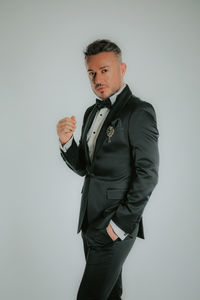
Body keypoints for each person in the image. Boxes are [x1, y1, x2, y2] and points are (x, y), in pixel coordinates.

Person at [56, 39, 159, 300]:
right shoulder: (92, 112)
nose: (97, 78)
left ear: (122, 69)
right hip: (89, 222)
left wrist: (120, 224)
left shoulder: (139, 112)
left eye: (104, 70)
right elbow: (85, 168)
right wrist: (66, 142)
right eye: (91, 73)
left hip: (115, 225)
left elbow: (147, 174)